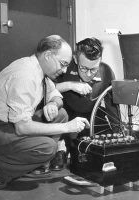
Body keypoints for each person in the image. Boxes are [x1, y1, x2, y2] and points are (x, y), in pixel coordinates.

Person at [0, 35, 90, 189]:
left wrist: (53, 104)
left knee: (60, 114)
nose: (63, 71)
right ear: (48, 55)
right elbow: (22, 127)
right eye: (62, 64)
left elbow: (57, 96)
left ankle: (31, 164)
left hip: (4, 124)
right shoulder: (26, 74)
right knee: (47, 148)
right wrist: (68, 127)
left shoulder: (40, 71)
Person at [52, 37, 115, 170]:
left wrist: (119, 131)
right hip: (67, 111)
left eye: (93, 69)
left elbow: (112, 106)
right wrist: (70, 85)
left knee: (108, 144)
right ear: (75, 59)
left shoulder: (106, 71)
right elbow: (46, 90)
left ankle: (77, 146)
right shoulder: (65, 67)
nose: (88, 74)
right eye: (83, 68)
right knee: (58, 113)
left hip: (90, 113)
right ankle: (62, 148)